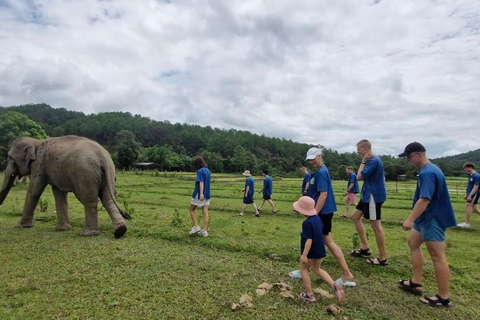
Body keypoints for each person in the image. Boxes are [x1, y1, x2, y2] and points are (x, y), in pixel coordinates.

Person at [397, 142, 456, 307]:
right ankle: (416, 282)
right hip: (425, 218)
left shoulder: (428, 173)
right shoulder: (428, 170)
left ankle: (443, 297)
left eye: (409, 156)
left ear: (419, 154)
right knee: (413, 243)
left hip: (432, 218)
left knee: (437, 255)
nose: (408, 160)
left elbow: (425, 199)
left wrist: (410, 219)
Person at [289, 148, 355, 287]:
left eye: (314, 158)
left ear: (319, 156)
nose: (312, 161)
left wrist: (314, 214)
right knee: (322, 240)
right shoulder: (320, 171)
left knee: (323, 240)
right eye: (310, 159)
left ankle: (346, 273)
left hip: (322, 212)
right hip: (322, 212)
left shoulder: (322, 173)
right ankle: (306, 270)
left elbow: (323, 195)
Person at [293, 196, 345, 303]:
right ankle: (334, 286)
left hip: (311, 252)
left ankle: (309, 295)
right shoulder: (317, 218)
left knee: (304, 270)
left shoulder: (307, 223)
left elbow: (309, 240)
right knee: (317, 269)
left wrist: (304, 255)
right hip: (320, 249)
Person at [350, 139, 388, 266]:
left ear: (366, 149)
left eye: (359, 149)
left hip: (373, 197)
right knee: (355, 217)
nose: (357, 152)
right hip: (367, 195)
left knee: (376, 226)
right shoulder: (372, 161)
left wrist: (363, 162)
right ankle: (365, 248)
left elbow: (359, 176)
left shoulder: (373, 161)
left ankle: (383, 257)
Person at [188, 156, 211, 237]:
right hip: (208, 193)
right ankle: (204, 230)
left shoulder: (200, 171)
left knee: (191, 209)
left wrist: (201, 194)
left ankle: (196, 227)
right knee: (205, 211)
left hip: (200, 193)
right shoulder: (208, 170)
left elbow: (201, 182)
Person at [457, 162, 480, 228]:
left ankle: (467, 223)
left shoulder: (476, 176)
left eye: (466, 168)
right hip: (471, 193)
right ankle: (466, 223)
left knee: (468, 206)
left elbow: (476, 186)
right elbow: (470, 186)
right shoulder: (471, 175)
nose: (465, 170)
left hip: (474, 194)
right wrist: (467, 194)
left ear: (470, 167)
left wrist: (470, 195)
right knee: (475, 209)